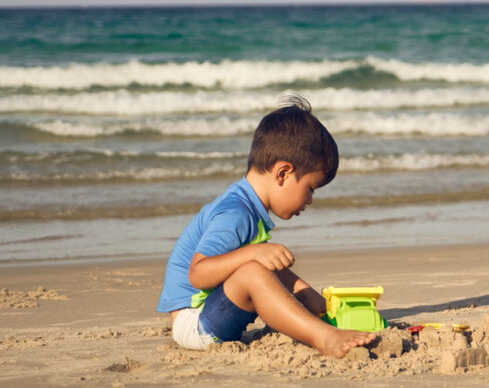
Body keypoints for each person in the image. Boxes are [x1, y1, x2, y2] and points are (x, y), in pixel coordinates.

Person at [156, 95, 377, 357]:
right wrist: (254, 253)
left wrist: (310, 297)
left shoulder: (248, 207)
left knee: (256, 267)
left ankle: (316, 324)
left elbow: (272, 271)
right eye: (310, 189)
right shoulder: (235, 213)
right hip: (194, 324)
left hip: (214, 313)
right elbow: (198, 273)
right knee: (252, 271)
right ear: (283, 173)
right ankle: (324, 337)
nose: (309, 200)